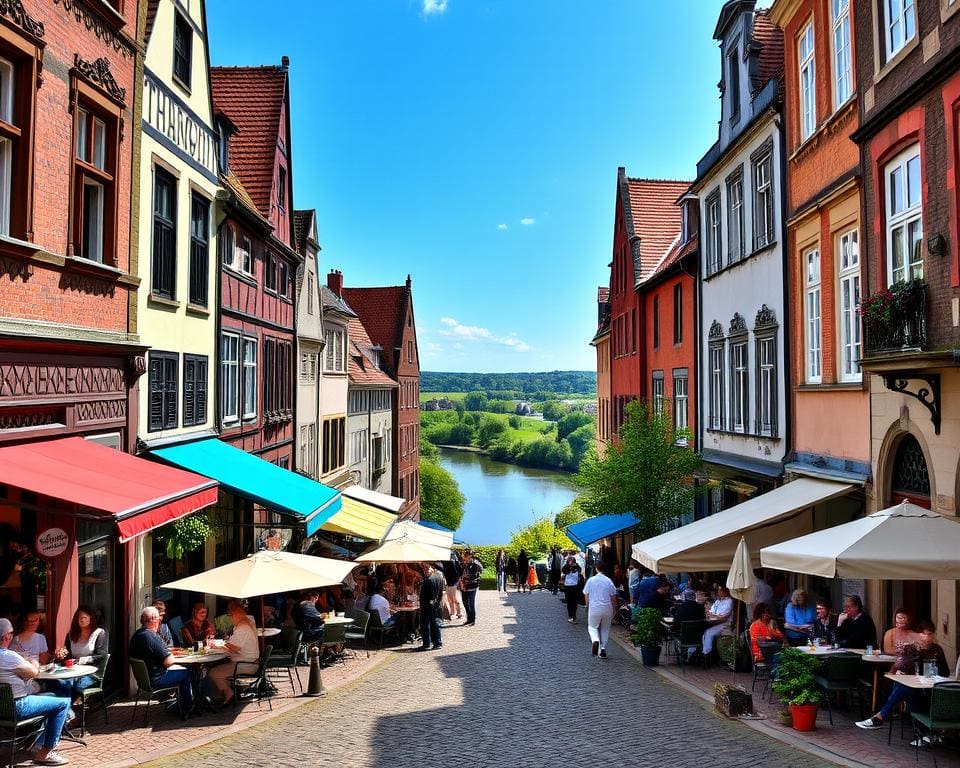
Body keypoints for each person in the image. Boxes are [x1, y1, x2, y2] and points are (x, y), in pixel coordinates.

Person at [0, 617, 70, 765]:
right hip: (18, 706)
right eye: (11, 633)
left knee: (51, 697)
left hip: (2, 708)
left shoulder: (11, 656)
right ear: (6, 636)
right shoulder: (10, 657)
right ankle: (45, 752)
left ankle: (37, 741)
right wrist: (33, 661)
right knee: (64, 701)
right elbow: (34, 672)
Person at [856, 622, 949, 731]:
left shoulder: (937, 650)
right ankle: (920, 732)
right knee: (903, 687)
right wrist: (917, 653)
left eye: (930, 634)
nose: (927, 638)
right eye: (924, 634)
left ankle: (880, 717)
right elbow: (906, 667)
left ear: (934, 635)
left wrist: (935, 672)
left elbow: (945, 671)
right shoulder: (911, 648)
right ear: (917, 634)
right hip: (915, 686)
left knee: (902, 688)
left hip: (931, 688)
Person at [130, 606, 193, 719]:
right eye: (159, 618)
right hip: (156, 679)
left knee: (183, 670)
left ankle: (182, 703)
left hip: (143, 680)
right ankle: (188, 707)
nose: (161, 620)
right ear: (154, 619)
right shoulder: (151, 637)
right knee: (188, 672)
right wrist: (174, 657)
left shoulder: (137, 635)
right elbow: (168, 662)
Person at [205, 600, 259, 706]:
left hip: (246, 664)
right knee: (218, 667)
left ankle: (228, 693)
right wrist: (224, 644)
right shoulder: (248, 621)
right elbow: (233, 645)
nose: (230, 618)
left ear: (237, 614)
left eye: (230, 615)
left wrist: (219, 645)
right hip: (249, 662)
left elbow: (234, 648)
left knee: (213, 673)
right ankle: (224, 693)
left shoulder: (243, 628)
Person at [52, 607, 107, 701]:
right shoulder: (71, 635)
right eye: (79, 618)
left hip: (92, 674)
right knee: (58, 682)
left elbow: (101, 655)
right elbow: (67, 656)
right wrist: (61, 655)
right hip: (73, 672)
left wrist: (79, 661)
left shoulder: (99, 633)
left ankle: (66, 708)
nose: (81, 619)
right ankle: (66, 708)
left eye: (84, 617)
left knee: (70, 684)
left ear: (91, 618)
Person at [582, 561, 618, 659]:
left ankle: (595, 640)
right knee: (605, 629)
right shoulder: (608, 580)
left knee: (592, 627)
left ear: (596, 569)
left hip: (594, 607)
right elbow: (613, 596)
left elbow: (586, 594)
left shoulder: (591, 580)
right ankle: (602, 649)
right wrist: (614, 609)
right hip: (607, 607)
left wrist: (587, 605)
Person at [702, 585, 735, 657]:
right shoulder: (718, 601)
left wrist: (713, 615)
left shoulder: (729, 601)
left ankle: (706, 654)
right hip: (714, 622)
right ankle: (702, 651)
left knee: (708, 632)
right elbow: (711, 611)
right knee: (703, 630)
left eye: (720, 590)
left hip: (725, 624)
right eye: (718, 590)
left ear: (725, 591)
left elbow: (724, 617)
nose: (718, 592)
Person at [418, 564, 445, 650]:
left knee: (426, 624)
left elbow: (429, 595)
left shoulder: (428, 581)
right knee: (435, 623)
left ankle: (427, 643)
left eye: (427, 568)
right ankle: (437, 643)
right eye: (424, 568)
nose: (425, 570)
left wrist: (428, 603)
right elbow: (440, 592)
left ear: (432, 569)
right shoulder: (439, 578)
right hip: (436, 605)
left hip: (428, 606)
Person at [460, 550, 483, 626]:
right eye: (465, 557)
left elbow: (481, 569)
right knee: (465, 603)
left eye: (467, 557)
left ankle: (472, 620)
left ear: (471, 557)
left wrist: (475, 561)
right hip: (464, 586)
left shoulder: (475, 564)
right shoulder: (463, 564)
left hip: (472, 586)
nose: (466, 559)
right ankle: (469, 619)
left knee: (471, 604)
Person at [440, 553, 463, 620]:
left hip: (453, 583)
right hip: (449, 582)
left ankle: (459, 613)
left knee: (454, 598)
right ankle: (452, 612)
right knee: (450, 599)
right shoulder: (448, 561)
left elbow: (456, 573)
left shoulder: (451, 561)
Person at [561, 555, 583, 623]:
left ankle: (573, 615)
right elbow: (565, 571)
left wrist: (575, 566)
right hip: (568, 587)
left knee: (575, 602)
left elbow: (580, 570)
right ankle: (570, 616)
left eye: (572, 561)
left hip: (575, 586)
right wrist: (570, 566)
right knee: (569, 602)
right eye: (570, 561)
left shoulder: (577, 566)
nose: (571, 562)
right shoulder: (565, 567)